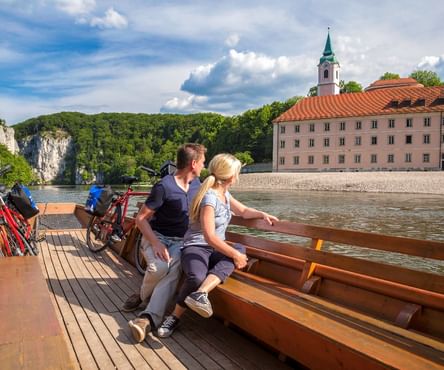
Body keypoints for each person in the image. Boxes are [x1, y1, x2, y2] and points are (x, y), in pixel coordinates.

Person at [157, 153, 278, 337]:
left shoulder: (225, 194)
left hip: (214, 249)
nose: (238, 176)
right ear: (231, 176)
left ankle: (201, 294)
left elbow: (244, 211)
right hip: (196, 247)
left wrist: (262, 214)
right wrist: (235, 256)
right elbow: (209, 236)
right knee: (197, 277)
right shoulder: (210, 198)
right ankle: (174, 317)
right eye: (237, 172)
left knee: (238, 249)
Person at [124, 143, 206, 343]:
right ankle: (143, 296)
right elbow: (141, 219)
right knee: (160, 267)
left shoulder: (199, 185)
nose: (204, 166)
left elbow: (223, 200)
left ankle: (148, 319)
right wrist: (157, 245)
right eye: (203, 162)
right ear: (193, 164)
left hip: (181, 242)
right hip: (157, 237)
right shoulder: (164, 186)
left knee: (174, 268)